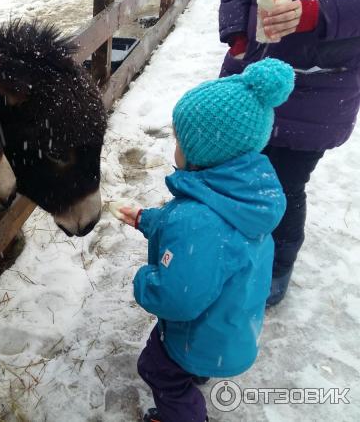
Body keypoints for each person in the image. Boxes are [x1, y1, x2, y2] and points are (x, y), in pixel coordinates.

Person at [118, 58, 293, 422]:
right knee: (186, 367)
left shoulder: (197, 219)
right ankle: (197, 370)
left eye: (179, 139)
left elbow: (176, 298)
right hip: (232, 323)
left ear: (203, 152)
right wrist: (146, 220)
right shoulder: (246, 194)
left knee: (158, 370)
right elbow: (204, 238)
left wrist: (143, 281)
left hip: (196, 335)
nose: (175, 147)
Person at [219, 0, 360, 306]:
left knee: (284, 182)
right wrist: (236, 30)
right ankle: (224, 251)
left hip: (321, 81)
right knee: (229, 169)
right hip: (252, 67)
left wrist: (317, 13)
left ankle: (276, 267)